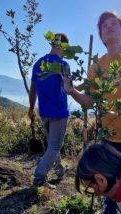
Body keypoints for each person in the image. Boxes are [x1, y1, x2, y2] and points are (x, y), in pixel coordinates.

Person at [64, 11, 121, 214]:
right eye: (104, 26)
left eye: (114, 25)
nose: (109, 27)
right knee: (106, 179)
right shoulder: (97, 67)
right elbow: (90, 101)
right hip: (108, 134)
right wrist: (72, 91)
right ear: (102, 37)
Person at [29, 33, 71, 187]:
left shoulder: (39, 63)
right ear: (63, 46)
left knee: (52, 144)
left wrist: (31, 108)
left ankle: (59, 170)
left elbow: (33, 89)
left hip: (44, 111)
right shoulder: (63, 65)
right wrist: (84, 87)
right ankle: (39, 177)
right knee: (54, 146)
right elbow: (69, 89)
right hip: (59, 112)